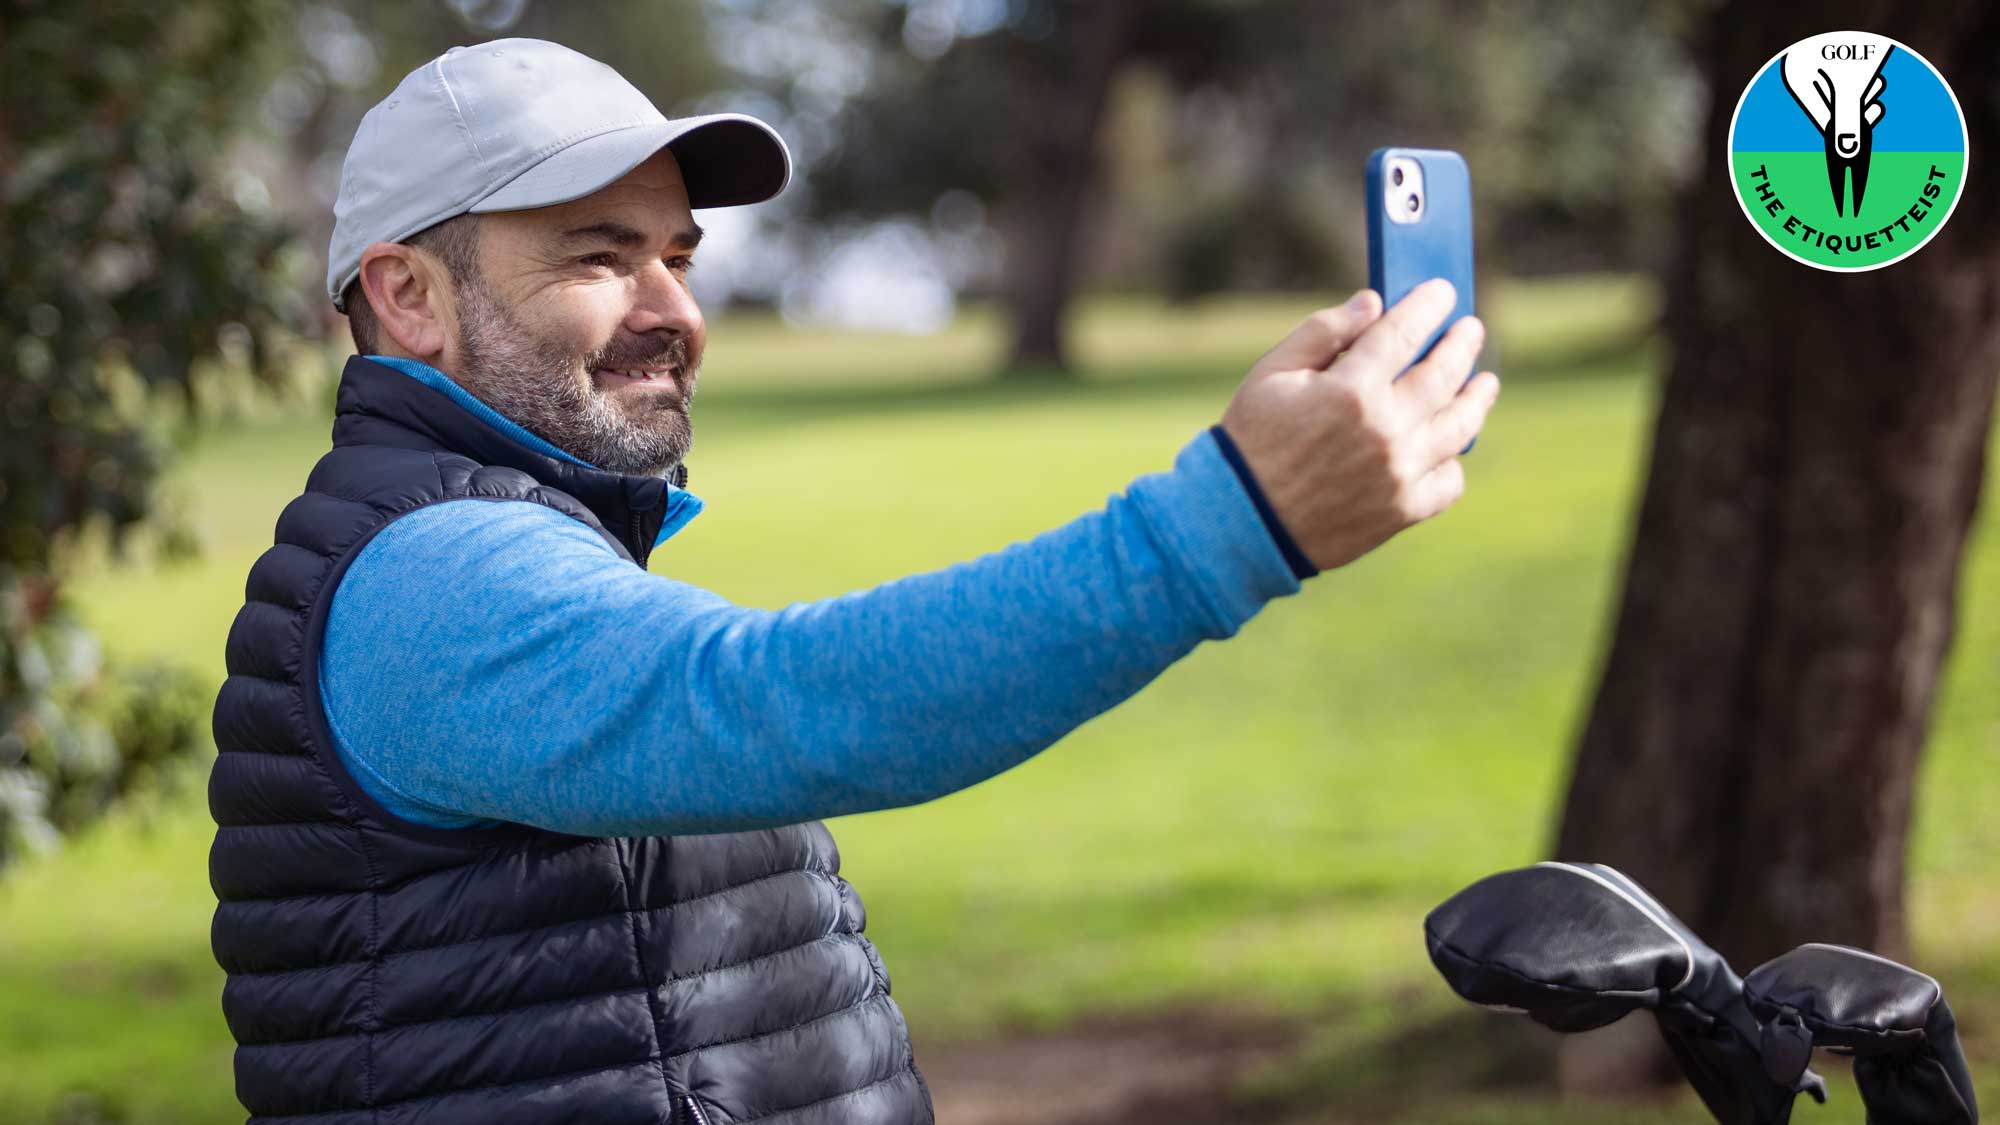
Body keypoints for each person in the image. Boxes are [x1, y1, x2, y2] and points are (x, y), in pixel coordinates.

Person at [206, 36, 1499, 1125]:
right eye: (601, 257)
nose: (674, 308)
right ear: (408, 298)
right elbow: (776, 700)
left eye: (682, 255)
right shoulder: (427, 574)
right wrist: (1236, 520)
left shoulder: (503, 531)